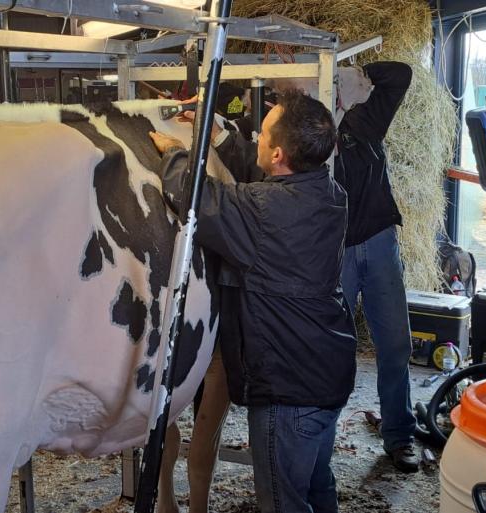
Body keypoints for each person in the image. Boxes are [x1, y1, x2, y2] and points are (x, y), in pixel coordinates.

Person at [150, 89, 357, 513]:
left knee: (282, 502)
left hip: (287, 391)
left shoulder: (261, 212)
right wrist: (221, 140)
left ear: (279, 153)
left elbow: (196, 199)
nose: (257, 138)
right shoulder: (330, 193)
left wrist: (174, 152)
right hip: (328, 375)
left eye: (261, 134)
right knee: (317, 486)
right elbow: (268, 179)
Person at [334, 61, 418, 472]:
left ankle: (400, 435)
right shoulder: (311, 128)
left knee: (396, 345)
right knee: (330, 347)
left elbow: (399, 74)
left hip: (379, 240)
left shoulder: (365, 117)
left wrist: (356, 71)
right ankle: (321, 436)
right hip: (336, 250)